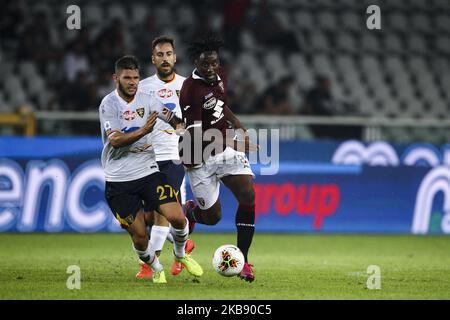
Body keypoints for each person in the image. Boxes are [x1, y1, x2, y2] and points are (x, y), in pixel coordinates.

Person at [99, 55, 203, 284]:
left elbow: (172, 118)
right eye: (127, 78)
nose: (133, 82)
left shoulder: (148, 99)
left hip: (148, 173)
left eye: (136, 77)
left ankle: (180, 254)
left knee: (177, 218)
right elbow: (115, 140)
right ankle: (156, 268)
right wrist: (144, 131)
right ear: (116, 78)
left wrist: (181, 129)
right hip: (119, 180)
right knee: (139, 237)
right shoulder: (109, 104)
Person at [179, 35, 258, 282]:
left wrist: (237, 124)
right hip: (198, 156)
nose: (212, 68)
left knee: (248, 194)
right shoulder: (190, 91)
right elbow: (197, 135)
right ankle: (191, 213)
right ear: (195, 63)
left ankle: (244, 260)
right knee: (212, 218)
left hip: (225, 151)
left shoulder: (219, 75)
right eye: (206, 65)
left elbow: (221, 106)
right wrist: (235, 141)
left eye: (215, 63)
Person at [134, 36, 195, 279]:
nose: (165, 58)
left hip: (174, 155)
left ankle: (150, 265)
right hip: (147, 157)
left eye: (169, 53)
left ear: (175, 57)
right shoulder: (143, 87)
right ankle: (184, 244)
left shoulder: (188, 86)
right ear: (153, 59)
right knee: (148, 216)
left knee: (162, 213)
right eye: (160, 54)